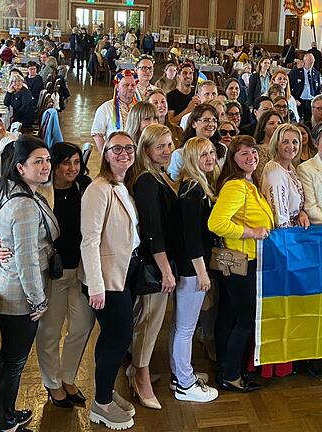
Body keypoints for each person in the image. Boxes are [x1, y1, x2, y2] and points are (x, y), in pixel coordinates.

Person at [0, 136, 59, 432]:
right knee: (14, 360)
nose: (45, 166)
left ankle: (4, 414)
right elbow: (27, 261)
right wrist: (38, 300)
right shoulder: (25, 207)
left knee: (9, 357)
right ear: (20, 167)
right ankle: (4, 422)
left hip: (8, 288)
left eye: (46, 160)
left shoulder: (12, 190)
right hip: (19, 295)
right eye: (37, 162)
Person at [81, 131, 139, 430]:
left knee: (111, 338)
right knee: (119, 338)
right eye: (117, 149)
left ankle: (105, 392)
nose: (124, 153)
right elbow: (89, 241)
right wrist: (96, 285)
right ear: (106, 153)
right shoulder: (98, 189)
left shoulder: (119, 184)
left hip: (120, 273)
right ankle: (101, 405)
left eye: (129, 148)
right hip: (106, 281)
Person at [209, 135, 274, 392]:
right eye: (244, 154)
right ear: (233, 158)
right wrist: (251, 231)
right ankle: (232, 374)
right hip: (240, 261)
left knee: (231, 316)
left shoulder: (249, 184)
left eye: (254, 153)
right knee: (245, 319)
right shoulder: (236, 186)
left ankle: (226, 368)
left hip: (242, 262)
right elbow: (216, 223)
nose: (251, 158)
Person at [123, 124, 180, 410]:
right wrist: (166, 270)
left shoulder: (158, 174)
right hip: (154, 263)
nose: (167, 150)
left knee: (150, 320)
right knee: (148, 321)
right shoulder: (146, 180)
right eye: (160, 146)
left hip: (161, 259)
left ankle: (138, 367)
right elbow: (152, 231)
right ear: (146, 150)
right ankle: (140, 375)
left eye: (169, 145)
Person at [174, 136, 221, 402]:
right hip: (192, 268)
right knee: (186, 328)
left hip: (191, 266)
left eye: (211, 152)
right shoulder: (193, 189)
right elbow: (192, 238)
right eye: (203, 154)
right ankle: (185, 383)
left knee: (183, 326)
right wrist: (202, 273)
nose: (209, 158)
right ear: (192, 158)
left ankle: (180, 373)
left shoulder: (198, 184)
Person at [261, 123, 309, 229]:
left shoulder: (290, 167)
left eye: (295, 142)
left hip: (295, 229)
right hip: (286, 236)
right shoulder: (275, 173)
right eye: (285, 142)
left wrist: (301, 213)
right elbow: (280, 220)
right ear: (276, 144)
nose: (291, 147)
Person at [168, 104, 219, 181]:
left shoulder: (222, 149)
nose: (211, 124)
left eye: (214, 120)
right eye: (205, 120)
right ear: (193, 123)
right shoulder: (180, 154)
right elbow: (174, 184)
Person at [91, 70, 139, 151]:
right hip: (116, 153)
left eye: (133, 85)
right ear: (117, 87)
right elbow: (97, 134)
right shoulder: (105, 108)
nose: (130, 88)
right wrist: (106, 155)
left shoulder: (139, 107)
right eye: (126, 85)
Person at [252, 109, 284, 182]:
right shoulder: (258, 149)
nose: (276, 126)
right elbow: (260, 176)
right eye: (271, 123)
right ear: (263, 127)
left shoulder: (285, 148)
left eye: (279, 123)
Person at [289, 53, 322, 123]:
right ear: (304, 61)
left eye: (313, 60)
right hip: (299, 101)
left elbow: (318, 89)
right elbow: (289, 87)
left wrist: (318, 101)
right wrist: (294, 99)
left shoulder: (316, 73)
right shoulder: (296, 72)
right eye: (309, 60)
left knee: (310, 122)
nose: (311, 62)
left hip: (311, 101)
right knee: (297, 121)